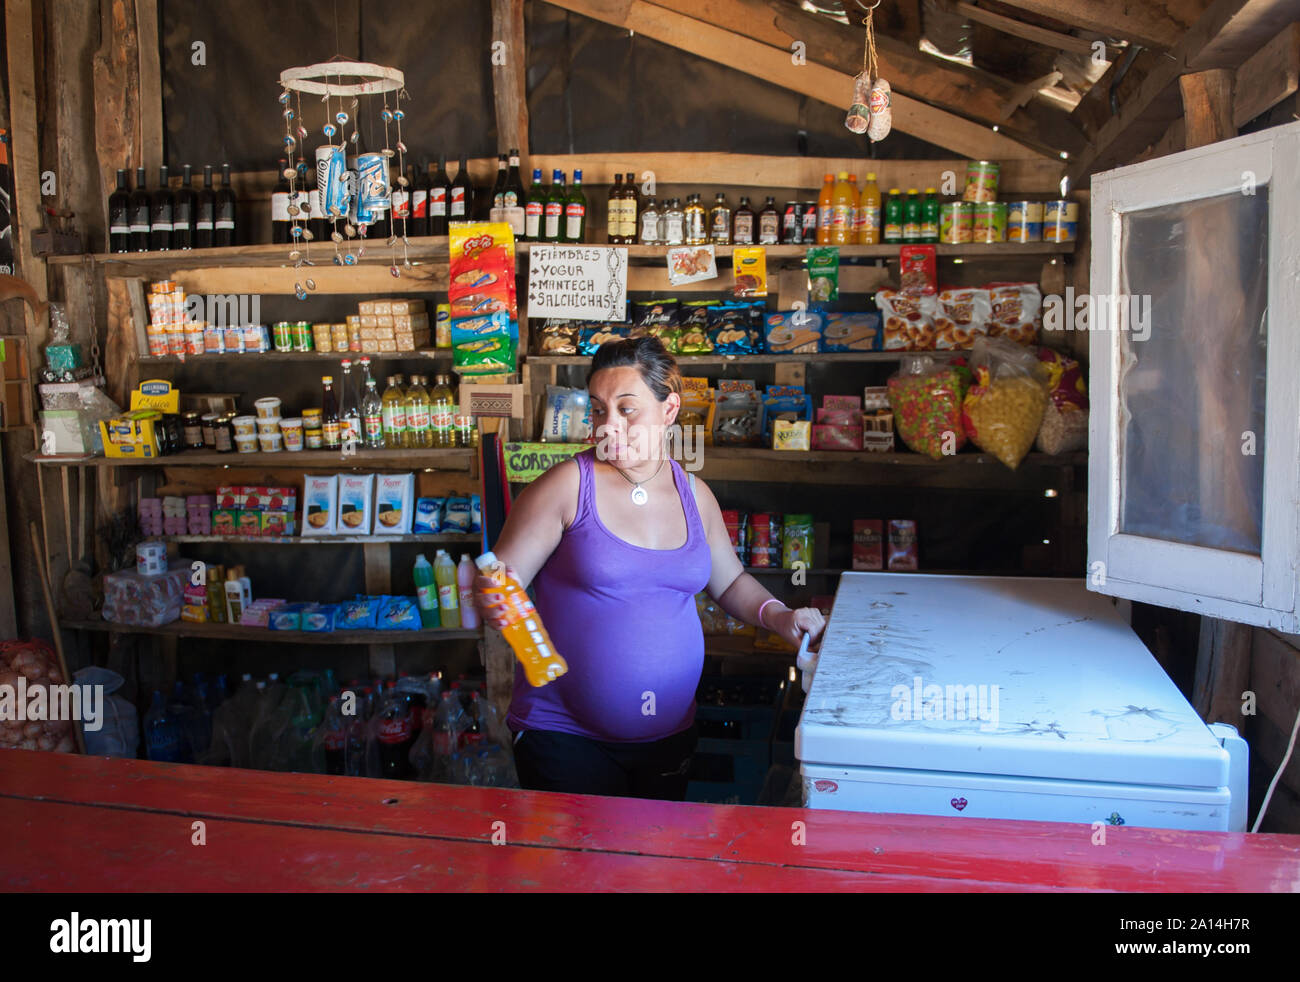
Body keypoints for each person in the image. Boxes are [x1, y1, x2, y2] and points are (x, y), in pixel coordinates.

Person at [473, 336, 826, 800]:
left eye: (627, 409)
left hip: (668, 740)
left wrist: (781, 616)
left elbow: (732, 581)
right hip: (566, 738)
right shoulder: (565, 487)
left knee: (649, 867)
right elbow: (500, 582)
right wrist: (491, 596)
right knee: (582, 869)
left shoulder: (694, 495)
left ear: (669, 409)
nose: (607, 427)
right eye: (598, 410)